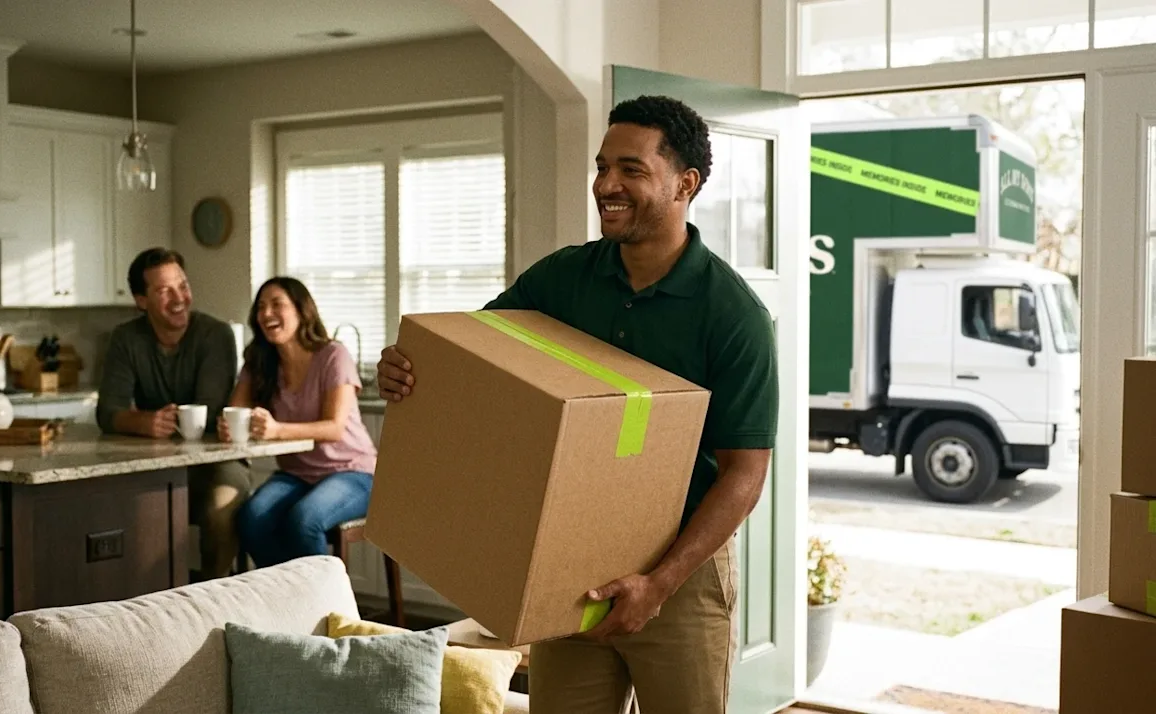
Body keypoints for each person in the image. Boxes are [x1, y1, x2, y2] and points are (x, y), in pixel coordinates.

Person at [376, 95, 778, 714]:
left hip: (680, 578)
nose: (606, 185)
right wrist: (409, 367)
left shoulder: (732, 314)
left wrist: (659, 583)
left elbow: (745, 474)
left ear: (686, 184)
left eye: (631, 170)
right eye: (602, 166)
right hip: (568, 566)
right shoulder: (560, 280)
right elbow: (471, 362)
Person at [96, 247, 252, 581]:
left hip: (217, 462)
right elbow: (107, 412)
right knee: (114, 509)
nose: (179, 298)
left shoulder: (216, 334)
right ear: (142, 301)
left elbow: (208, 412)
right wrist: (144, 422)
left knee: (220, 510)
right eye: (164, 291)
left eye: (182, 285)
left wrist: (148, 421)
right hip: (153, 463)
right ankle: (149, 596)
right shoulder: (125, 339)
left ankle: (213, 594)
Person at [227, 277, 378, 568]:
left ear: (301, 310)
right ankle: (289, 592)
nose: (266, 313)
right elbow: (235, 411)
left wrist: (276, 430)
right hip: (297, 474)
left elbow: (333, 427)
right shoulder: (259, 362)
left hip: (353, 472)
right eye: (261, 307)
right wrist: (231, 425)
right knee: (251, 518)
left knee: (304, 520)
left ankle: (325, 597)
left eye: (277, 304)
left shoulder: (333, 355)